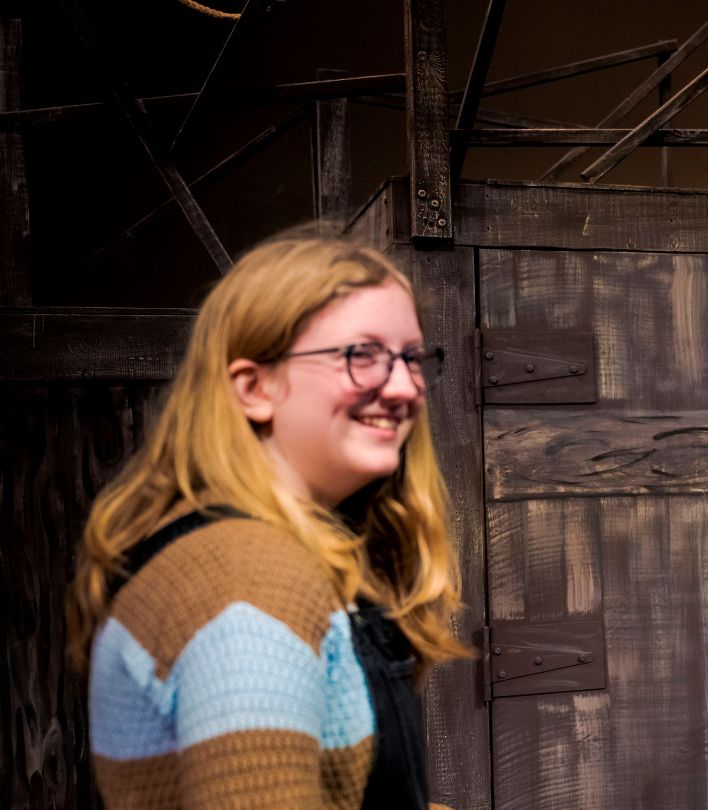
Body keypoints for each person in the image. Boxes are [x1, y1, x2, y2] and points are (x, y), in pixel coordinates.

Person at [70, 230, 467, 808]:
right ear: (255, 388)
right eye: (362, 356)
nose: (406, 386)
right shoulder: (248, 578)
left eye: (411, 357)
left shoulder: (258, 551)